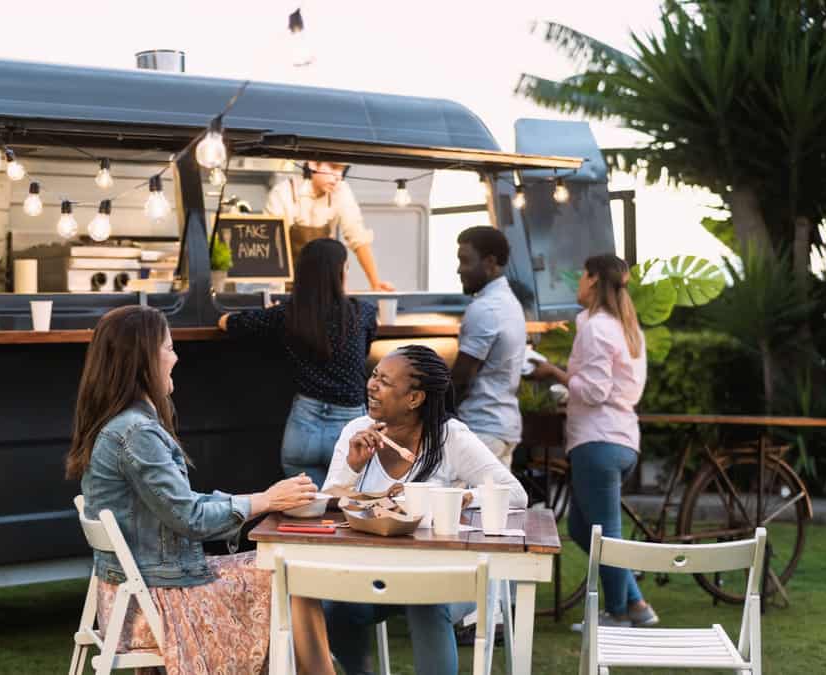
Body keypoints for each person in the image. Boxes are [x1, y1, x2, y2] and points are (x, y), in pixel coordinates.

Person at [66, 305, 335, 674]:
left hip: (135, 592)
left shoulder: (120, 424)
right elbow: (189, 517)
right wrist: (267, 500)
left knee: (286, 576)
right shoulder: (137, 433)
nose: (176, 358)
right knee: (294, 580)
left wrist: (263, 499)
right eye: (169, 348)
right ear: (144, 358)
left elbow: (182, 506)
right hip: (155, 601)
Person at [321, 345, 527, 675]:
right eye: (374, 376)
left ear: (414, 399)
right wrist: (353, 467)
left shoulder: (449, 437)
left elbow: (515, 494)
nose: (372, 385)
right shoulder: (356, 431)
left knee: (426, 599)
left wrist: (460, 498)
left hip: (451, 572)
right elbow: (328, 499)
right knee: (335, 605)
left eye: (385, 382)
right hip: (378, 572)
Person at [530, 254, 659, 629]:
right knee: (581, 529)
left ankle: (617, 613)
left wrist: (555, 373)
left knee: (605, 533)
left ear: (593, 280)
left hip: (597, 441)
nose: (577, 283)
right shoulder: (625, 326)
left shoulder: (597, 328)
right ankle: (636, 604)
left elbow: (597, 390)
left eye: (582, 276)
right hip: (621, 438)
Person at [219, 238, 379, 487]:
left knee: (308, 510)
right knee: (351, 511)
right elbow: (364, 353)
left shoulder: (287, 313)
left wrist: (272, 311)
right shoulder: (363, 313)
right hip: (351, 430)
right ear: (340, 272)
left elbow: (228, 323)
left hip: (304, 427)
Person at [453, 226, 527, 468]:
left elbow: (462, 377)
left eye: (465, 261)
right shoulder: (509, 302)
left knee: (461, 505)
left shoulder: (485, 308)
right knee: (491, 506)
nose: (459, 270)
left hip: (480, 429)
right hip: (503, 428)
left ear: (490, 262)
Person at [265, 161, 395, 291]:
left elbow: (358, 238)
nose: (338, 176)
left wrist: (375, 283)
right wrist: (276, 293)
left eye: (342, 170)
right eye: (333, 167)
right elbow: (273, 249)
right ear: (313, 164)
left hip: (324, 288)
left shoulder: (341, 190)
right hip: (287, 287)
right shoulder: (283, 192)